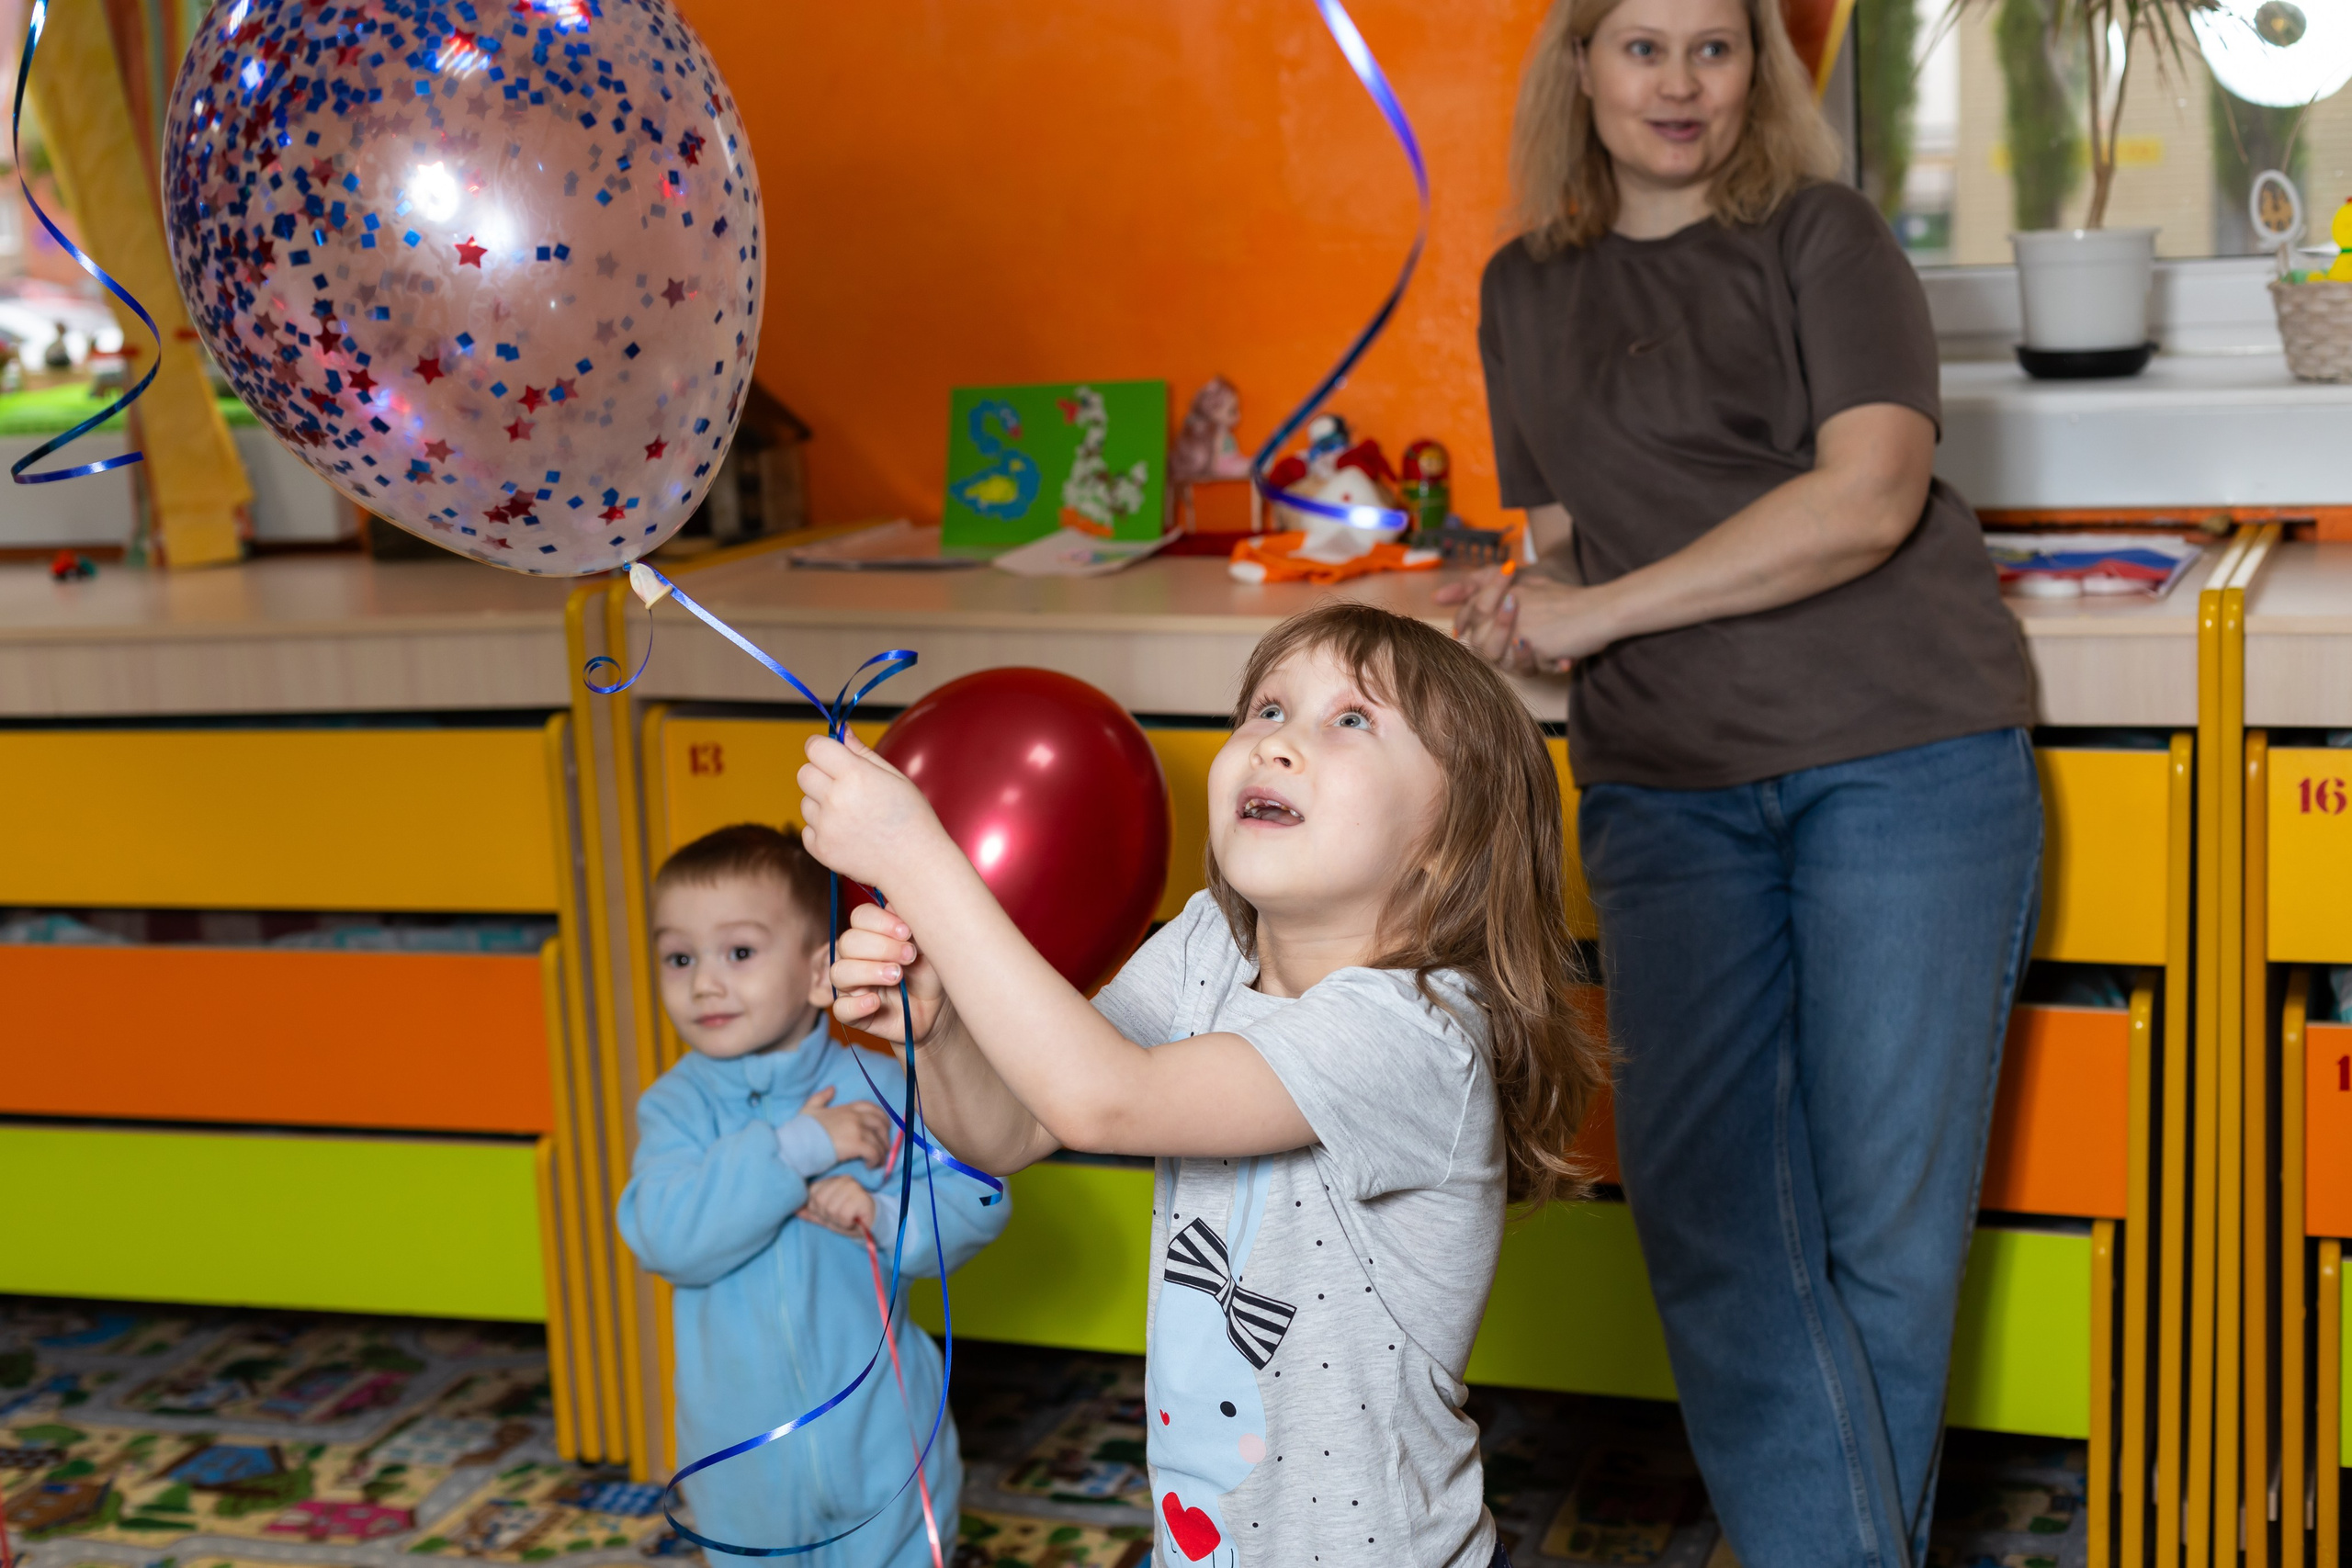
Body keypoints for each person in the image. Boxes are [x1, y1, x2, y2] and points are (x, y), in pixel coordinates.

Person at [1444, 0, 2044, 1563]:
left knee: (1884, 1240)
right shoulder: (1522, 289)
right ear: (1579, 64)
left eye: (1717, 47)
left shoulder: (1824, 237)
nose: (1682, 82)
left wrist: (1593, 612)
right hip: (1666, 789)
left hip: (1905, 757)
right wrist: (1519, 607)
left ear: (1760, 71)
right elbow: (1569, 540)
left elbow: (1867, 500)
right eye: (1644, 45)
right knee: (1712, 1228)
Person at [797, 603, 1610, 1568]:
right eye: (1265, 708)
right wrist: (938, 1029)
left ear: (1449, 840)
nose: (1277, 744)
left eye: (1351, 720)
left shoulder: (1417, 1029)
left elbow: (1107, 1099)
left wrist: (914, 857)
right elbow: (1011, 1130)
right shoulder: (1205, 953)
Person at [616, 824, 1012, 1566]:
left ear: (818, 971)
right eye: (679, 957)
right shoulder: (677, 1109)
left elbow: (981, 1194)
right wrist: (800, 1145)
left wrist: (885, 1216)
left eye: (739, 952)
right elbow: (664, 1233)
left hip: (882, 1433)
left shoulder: (885, 1084)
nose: (704, 981)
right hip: (740, 1455)